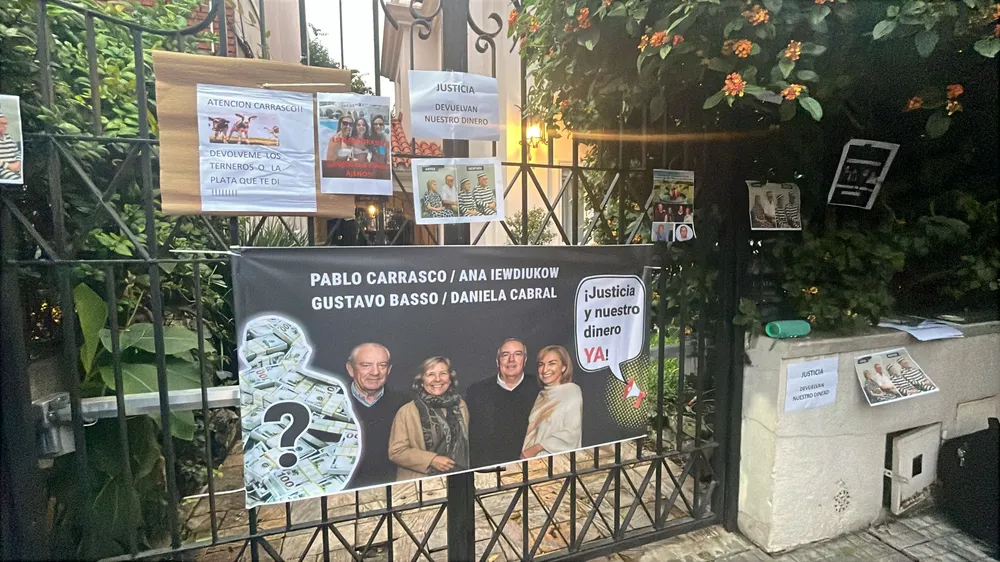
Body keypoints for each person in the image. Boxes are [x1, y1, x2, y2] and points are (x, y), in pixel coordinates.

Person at [388, 357, 469, 481]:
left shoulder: (460, 406)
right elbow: (396, 452)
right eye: (430, 374)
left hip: (459, 479)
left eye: (443, 373)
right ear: (421, 380)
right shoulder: (407, 411)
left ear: (450, 378)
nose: (437, 379)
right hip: (422, 485)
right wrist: (431, 460)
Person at [466, 339, 540, 468]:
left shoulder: (539, 389)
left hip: (531, 467)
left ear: (525, 360)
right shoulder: (477, 391)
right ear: (497, 361)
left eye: (518, 354)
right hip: (488, 470)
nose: (511, 360)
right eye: (505, 355)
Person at [344, 343, 406, 489]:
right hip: (344, 495)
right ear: (350, 369)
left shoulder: (404, 404)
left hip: (395, 490)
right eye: (366, 365)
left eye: (382, 365)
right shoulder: (331, 405)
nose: (375, 372)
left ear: (389, 370)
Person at [522, 345, 583, 458]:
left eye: (552, 363)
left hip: (556, 465)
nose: (545, 370)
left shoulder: (572, 391)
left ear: (564, 367)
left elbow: (571, 434)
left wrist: (536, 448)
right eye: (541, 364)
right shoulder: (540, 396)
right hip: (531, 465)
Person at [0, 111, 22, 182]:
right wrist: (8, 166)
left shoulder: (8, 137)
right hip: (2, 170)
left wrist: (18, 162)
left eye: (6, 124)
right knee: (16, 179)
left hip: (16, 168)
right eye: (2, 124)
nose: (5, 126)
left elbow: (17, 152)